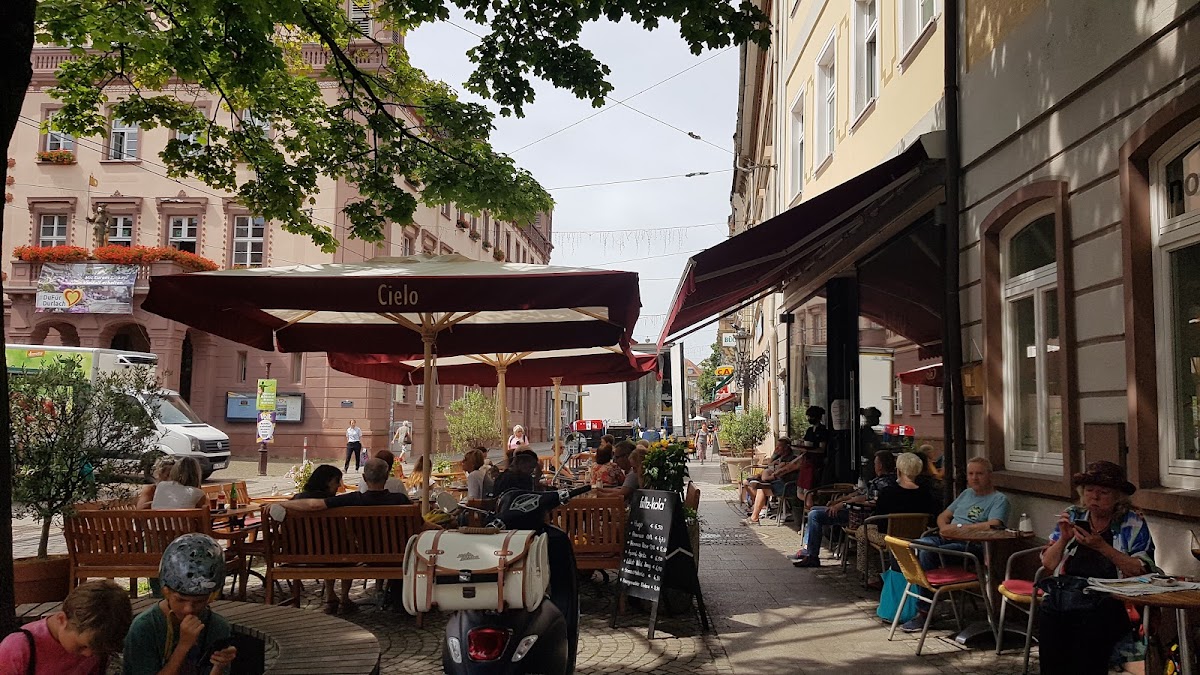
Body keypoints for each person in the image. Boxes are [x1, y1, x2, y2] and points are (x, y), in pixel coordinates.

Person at [1038, 461, 1155, 675]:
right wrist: (1063, 539)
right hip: (1069, 595)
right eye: (1090, 490)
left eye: (1103, 492)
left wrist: (1102, 547)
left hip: (1111, 599)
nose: (1095, 497)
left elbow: (1140, 570)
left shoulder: (1131, 522)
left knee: (1090, 627)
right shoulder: (1074, 515)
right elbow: (1048, 563)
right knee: (1049, 612)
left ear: (1118, 497)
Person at [899, 456, 1009, 632]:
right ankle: (930, 597)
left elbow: (994, 524)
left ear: (990, 475)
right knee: (915, 546)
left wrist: (959, 529)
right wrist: (945, 529)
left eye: (979, 474)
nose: (974, 478)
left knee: (927, 552)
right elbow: (943, 516)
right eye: (971, 474)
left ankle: (925, 612)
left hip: (971, 547)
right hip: (947, 539)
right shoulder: (966, 494)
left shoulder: (998, 499)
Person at [122, 534, 237, 675]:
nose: (188, 609)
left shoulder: (217, 627)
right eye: (180, 600)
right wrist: (183, 646)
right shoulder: (145, 627)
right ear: (166, 592)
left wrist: (219, 666)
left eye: (199, 601)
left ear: (211, 597)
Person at [0, 580, 132, 675]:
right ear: (62, 619)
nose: (89, 654)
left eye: (98, 650)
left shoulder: (97, 649)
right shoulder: (19, 649)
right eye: (83, 646)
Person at [792, 450, 898, 567]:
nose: (873, 466)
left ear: (880, 465)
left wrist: (841, 504)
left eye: (875, 463)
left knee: (815, 515)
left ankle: (812, 556)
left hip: (861, 516)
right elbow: (860, 494)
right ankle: (808, 550)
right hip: (857, 511)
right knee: (814, 510)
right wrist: (839, 501)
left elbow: (866, 500)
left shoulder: (883, 483)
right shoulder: (884, 481)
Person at [856, 452, 940, 587]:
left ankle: (871, 576)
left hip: (891, 538)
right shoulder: (926, 494)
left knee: (862, 531)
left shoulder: (888, 492)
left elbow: (879, 522)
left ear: (899, 470)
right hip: (918, 538)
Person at [739, 438, 801, 524]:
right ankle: (756, 509)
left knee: (761, 488)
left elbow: (782, 471)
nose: (776, 448)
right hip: (777, 481)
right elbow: (769, 466)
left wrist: (771, 476)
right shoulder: (779, 457)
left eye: (779, 446)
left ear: (786, 448)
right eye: (776, 446)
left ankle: (756, 515)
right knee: (750, 483)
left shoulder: (792, 459)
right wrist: (774, 455)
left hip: (787, 485)